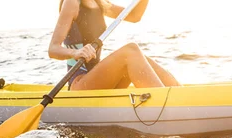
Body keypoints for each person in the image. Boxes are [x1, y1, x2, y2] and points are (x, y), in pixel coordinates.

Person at [48, 0, 180, 90]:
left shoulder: (100, 3)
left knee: (143, 60)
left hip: (98, 80)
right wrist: (76, 53)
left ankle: (180, 94)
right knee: (131, 51)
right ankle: (165, 104)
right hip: (79, 83)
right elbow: (53, 49)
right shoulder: (71, 3)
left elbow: (134, 16)